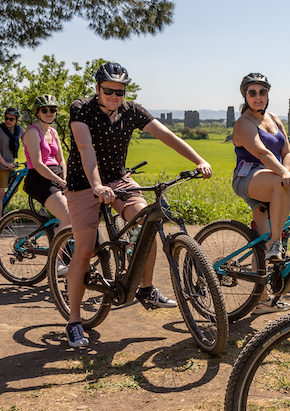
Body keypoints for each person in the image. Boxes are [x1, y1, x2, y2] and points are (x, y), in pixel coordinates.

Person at [63, 62, 213, 348]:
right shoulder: (81, 109)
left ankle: (146, 288)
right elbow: (85, 149)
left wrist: (198, 160)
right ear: (97, 89)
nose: (115, 97)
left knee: (147, 220)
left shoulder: (132, 111)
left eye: (120, 92)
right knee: (83, 249)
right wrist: (96, 186)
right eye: (109, 91)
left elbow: (167, 135)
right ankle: (73, 321)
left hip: (119, 180)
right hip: (84, 183)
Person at [232, 73, 290, 314]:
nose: (258, 97)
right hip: (248, 177)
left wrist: (285, 173)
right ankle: (276, 243)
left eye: (262, 92)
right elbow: (262, 153)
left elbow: (286, 150)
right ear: (245, 96)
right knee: (272, 242)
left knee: (261, 239)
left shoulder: (275, 119)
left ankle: (261, 300)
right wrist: (283, 177)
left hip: (273, 178)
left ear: (268, 94)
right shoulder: (244, 123)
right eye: (252, 93)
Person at [21, 94, 72, 276]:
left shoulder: (53, 132)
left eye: (53, 109)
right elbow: (37, 163)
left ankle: (68, 251)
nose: (49, 113)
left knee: (83, 208)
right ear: (37, 112)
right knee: (67, 215)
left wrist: (65, 179)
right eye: (45, 110)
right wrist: (59, 181)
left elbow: (61, 159)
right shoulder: (32, 133)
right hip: (39, 178)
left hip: (58, 175)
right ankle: (56, 262)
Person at [0, 107, 24, 220]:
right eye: (6, 118)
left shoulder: (19, 130)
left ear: (17, 120)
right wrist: (4, 162)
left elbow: (28, 143)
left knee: (14, 188)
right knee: (0, 194)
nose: (8, 121)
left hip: (9, 165)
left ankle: (0, 207)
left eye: (11, 119)